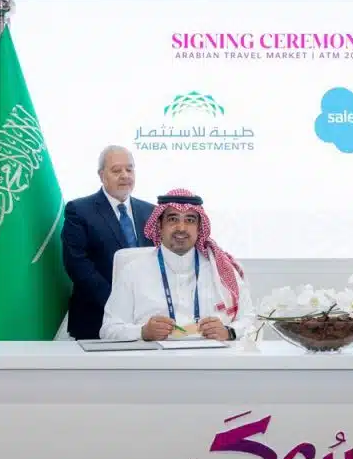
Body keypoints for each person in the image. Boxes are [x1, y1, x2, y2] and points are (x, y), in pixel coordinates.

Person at [100, 188, 255, 342]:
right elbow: (109, 329)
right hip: (154, 357)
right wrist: (142, 332)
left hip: (210, 357)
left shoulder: (221, 270)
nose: (181, 228)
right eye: (173, 219)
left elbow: (250, 319)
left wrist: (229, 332)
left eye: (190, 220)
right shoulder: (133, 271)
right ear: (159, 226)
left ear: (199, 228)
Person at [60, 145, 155, 340]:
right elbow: (77, 264)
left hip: (144, 319)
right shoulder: (79, 210)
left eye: (129, 169)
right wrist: (118, 304)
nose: (125, 175)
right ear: (102, 175)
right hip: (95, 319)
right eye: (117, 170)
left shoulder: (151, 211)